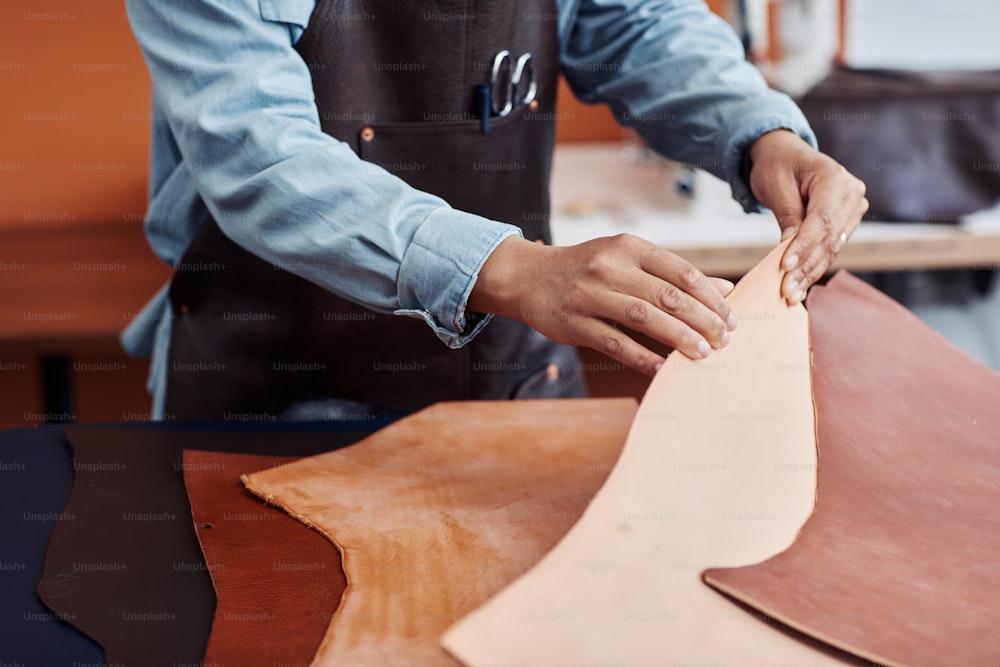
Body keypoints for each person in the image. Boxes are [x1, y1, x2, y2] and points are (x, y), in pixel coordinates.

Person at [122, 0, 868, 421]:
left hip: (510, 382)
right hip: (272, 390)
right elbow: (260, 158)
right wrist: (510, 270)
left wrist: (760, 131)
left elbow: (638, 23)